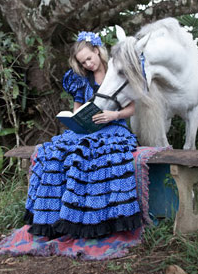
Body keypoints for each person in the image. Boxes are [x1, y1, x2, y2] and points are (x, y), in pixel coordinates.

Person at [23, 31, 141, 239]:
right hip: (87, 129)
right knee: (54, 152)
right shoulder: (81, 80)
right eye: (82, 62)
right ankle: (55, 220)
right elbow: (77, 108)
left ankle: (95, 220)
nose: (87, 64)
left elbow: (132, 107)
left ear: (97, 51)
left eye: (89, 58)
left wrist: (114, 115)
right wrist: (76, 119)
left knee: (93, 154)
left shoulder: (117, 72)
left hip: (113, 128)